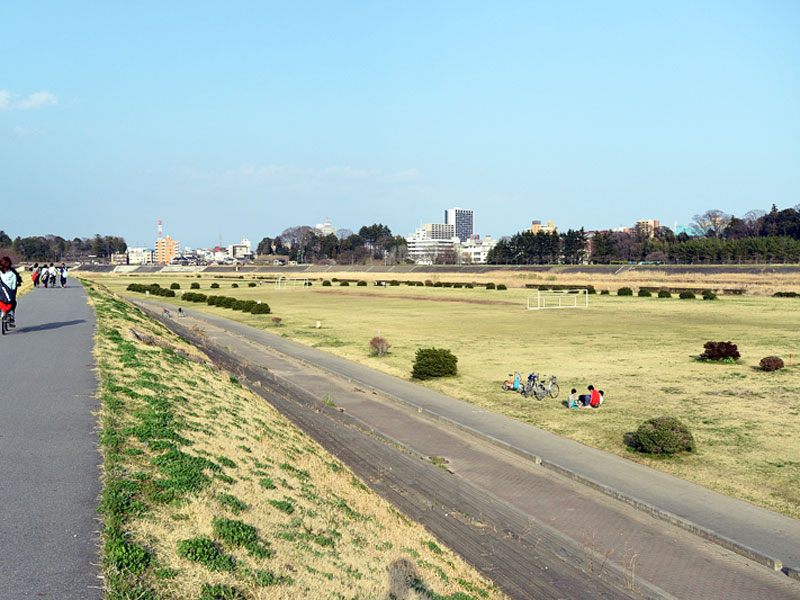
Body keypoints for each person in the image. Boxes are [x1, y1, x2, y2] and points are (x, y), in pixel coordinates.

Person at [0, 256, 20, 327]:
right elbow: (14, 287)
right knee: (13, 302)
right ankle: (11, 315)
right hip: (10, 294)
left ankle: (1, 313)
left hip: (1, 295)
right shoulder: (13, 274)